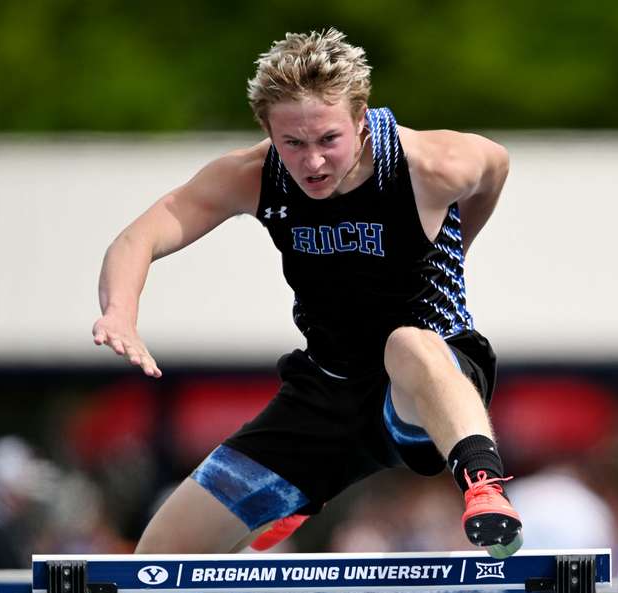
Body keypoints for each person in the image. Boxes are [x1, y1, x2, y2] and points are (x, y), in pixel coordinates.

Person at [92, 29, 523, 558]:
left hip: (425, 387)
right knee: (158, 560)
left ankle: (484, 486)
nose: (312, 163)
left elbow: (496, 165)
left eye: (328, 140)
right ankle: (304, 491)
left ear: (360, 120)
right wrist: (120, 312)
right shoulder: (252, 175)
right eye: (292, 143)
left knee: (406, 344)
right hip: (327, 391)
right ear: (267, 131)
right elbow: (139, 237)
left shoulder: (431, 165)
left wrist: (458, 242)